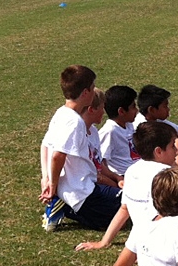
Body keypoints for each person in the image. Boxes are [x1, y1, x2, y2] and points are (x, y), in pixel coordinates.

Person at [39, 65, 121, 231]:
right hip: (84, 192)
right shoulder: (74, 122)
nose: (93, 91)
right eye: (92, 87)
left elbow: (46, 145)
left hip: (80, 189)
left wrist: (46, 178)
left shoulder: (60, 113)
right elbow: (57, 155)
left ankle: (65, 204)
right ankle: (65, 205)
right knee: (125, 206)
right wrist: (52, 185)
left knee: (113, 213)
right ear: (85, 93)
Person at [74, 121, 178, 251]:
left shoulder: (132, 171)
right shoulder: (168, 176)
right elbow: (168, 215)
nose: (177, 150)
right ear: (158, 151)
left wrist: (104, 242)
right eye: (173, 146)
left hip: (140, 240)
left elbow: (124, 209)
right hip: (162, 241)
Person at [84, 88, 122, 188]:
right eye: (102, 108)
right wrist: (116, 186)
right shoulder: (81, 136)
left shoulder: (93, 131)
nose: (104, 112)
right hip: (88, 187)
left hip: (98, 181)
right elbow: (95, 176)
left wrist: (117, 178)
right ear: (91, 110)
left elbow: (99, 165)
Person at [99, 85, 139, 178]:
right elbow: (100, 160)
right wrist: (116, 178)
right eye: (133, 107)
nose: (136, 110)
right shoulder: (110, 131)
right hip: (125, 175)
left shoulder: (129, 125)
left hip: (138, 169)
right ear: (121, 111)